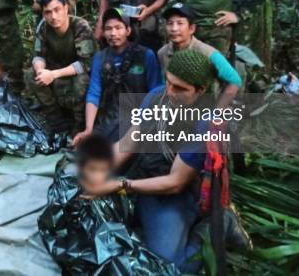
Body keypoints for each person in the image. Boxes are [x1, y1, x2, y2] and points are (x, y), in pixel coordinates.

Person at [80, 50, 250, 274]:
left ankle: (219, 223)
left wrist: (120, 185)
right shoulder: (156, 96)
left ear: (201, 90)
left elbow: (176, 182)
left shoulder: (205, 122)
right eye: (168, 82)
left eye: (180, 88)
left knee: (170, 267)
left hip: (176, 193)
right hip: (146, 174)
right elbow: (130, 141)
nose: (169, 92)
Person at [75, 8, 162, 145]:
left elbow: (156, 91)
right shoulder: (100, 58)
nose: (113, 33)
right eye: (108, 29)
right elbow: (94, 93)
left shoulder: (146, 55)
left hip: (140, 119)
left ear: (128, 31)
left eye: (118, 27)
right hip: (111, 119)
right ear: (103, 32)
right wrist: (88, 129)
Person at [25, 0, 95, 136]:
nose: (53, 16)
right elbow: (38, 56)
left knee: (82, 80)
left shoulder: (80, 26)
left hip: (75, 71)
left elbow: (86, 63)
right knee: (31, 74)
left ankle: (79, 124)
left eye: (57, 10)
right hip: (55, 68)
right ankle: (56, 120)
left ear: (66, 8)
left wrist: (53, 74)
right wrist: (40, 72)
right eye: (48, 12)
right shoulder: (43, 27)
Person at [158, 2, 241, 108]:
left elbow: (234, 80)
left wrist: (219, 111)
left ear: (192, 28)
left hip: (205, 108)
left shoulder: (208, 53)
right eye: (170, 23)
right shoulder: (162, 53)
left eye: (180, 23)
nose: (174, 29)